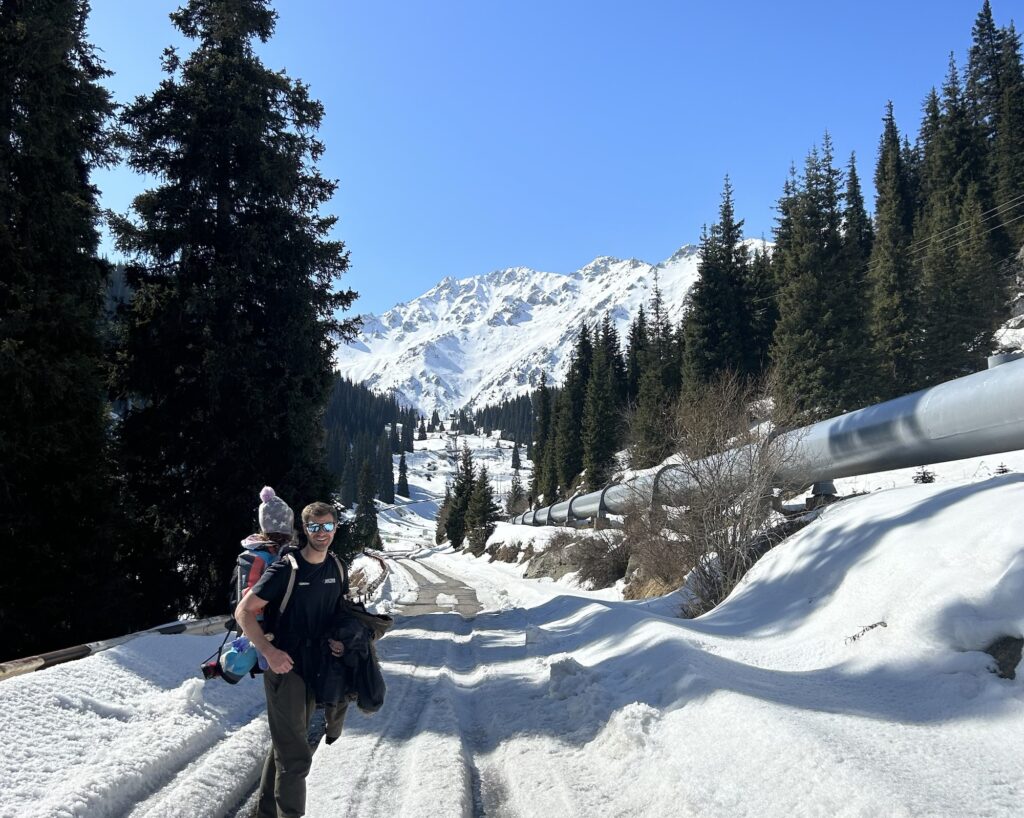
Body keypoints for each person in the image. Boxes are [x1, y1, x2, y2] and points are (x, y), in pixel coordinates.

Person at [235, 500, 347, 818]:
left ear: (335, 527)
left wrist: (338, 640)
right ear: (304, 529)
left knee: (285, 745)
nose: (322, 533)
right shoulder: (287, 567)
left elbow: (336, 612)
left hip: (319, 666)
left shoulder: (337, 567)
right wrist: (269, 653)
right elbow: (243, 612)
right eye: (315, 527)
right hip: (285, 669)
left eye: (327, 526)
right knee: (296, 756)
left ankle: (266, 812)